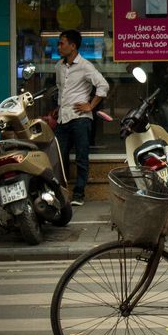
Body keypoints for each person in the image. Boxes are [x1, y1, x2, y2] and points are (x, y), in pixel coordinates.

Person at [55, 29, 109, 206]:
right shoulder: (59, 66)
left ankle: (79, 193)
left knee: (81, 157)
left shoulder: (85, 66)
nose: (59, 46)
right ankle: (61, 193)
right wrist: (59, 107)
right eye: (59, 43)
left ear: (73, 45)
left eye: (62, 43)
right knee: (60, 158)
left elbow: (103, 86)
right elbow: (61, 90)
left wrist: (91, 106)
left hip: (80, 119)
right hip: (63, 119)